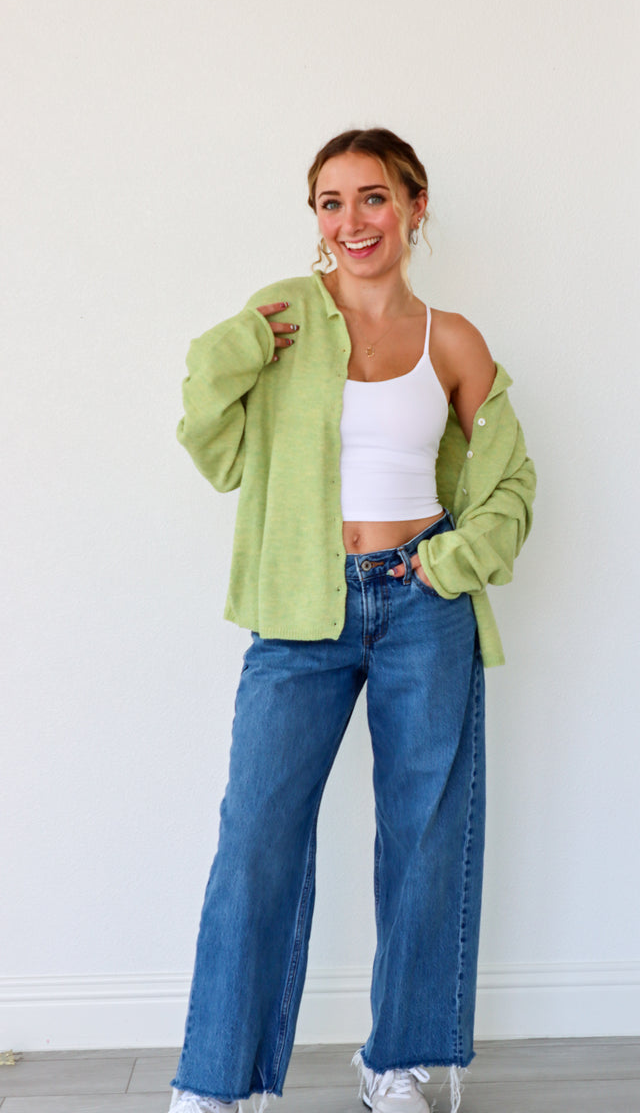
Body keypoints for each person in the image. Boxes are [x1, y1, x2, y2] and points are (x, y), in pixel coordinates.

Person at [169, 128, 536, 1113]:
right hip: (300, 608)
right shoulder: (283, 317)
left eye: (371, 198)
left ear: (414, 206)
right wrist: (244, 339)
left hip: (422, 606)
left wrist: (451, 561)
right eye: (329, 203)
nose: (350, 222)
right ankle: (219, 1083)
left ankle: (398, 1064)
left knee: (424, 836)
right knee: (256, 837)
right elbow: (207, 429)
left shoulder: (449, 339)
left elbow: (507, 481)